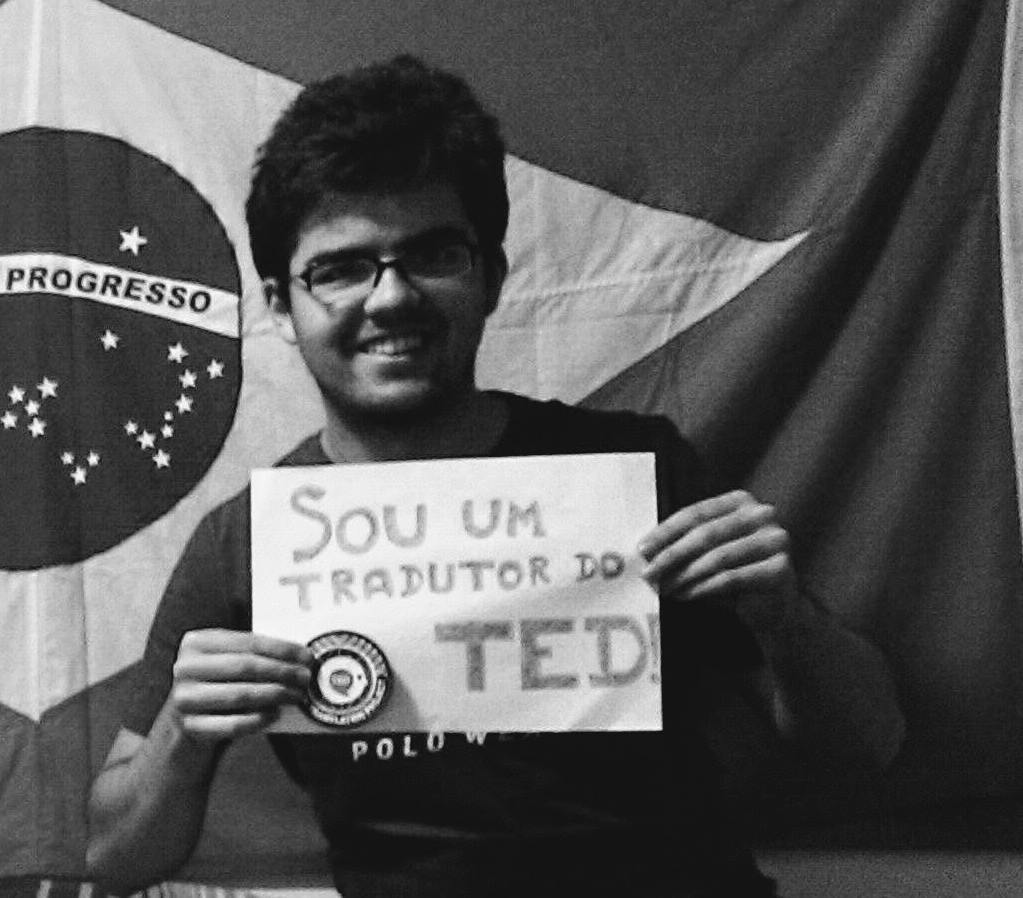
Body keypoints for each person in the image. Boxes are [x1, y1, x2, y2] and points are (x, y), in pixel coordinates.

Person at [85, 54, 904, 897]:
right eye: (340, 268)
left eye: (432, 254)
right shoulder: (248, 539)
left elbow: (869, 743)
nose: (391, 297)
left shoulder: (631, 472)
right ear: (279, 307)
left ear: (491, 278)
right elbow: (115, 859)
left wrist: (782, 613)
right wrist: (183, 737)